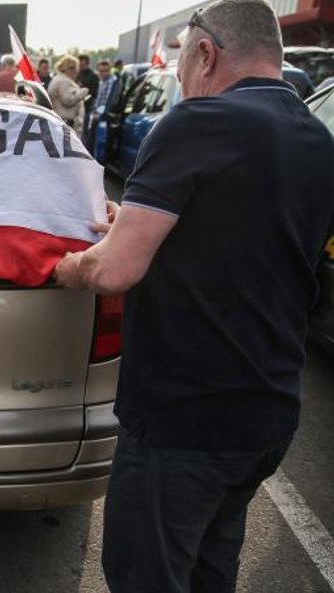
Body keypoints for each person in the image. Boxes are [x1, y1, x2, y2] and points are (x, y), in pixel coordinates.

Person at [53, 1, 334, 591]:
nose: (180, 75)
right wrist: (132, 219)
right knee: (211, 566)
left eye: (182, 58)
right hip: (267, 412)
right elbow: (249, 233)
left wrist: (68, 266)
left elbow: (114, 272)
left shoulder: (196, 123)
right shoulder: (314, 134)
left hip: (186, 416)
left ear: (206, 52)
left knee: (146, 574)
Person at [47, 54, 90, 136]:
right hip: (66, 123)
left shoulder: (58, 79)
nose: (77, 72)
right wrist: (81, 93)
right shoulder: (63, 81)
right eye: (76, 68)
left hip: (60, 122)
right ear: (71, 68)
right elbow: (68, 100)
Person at [85, 59, 120, 153]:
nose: (104, 73)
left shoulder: (111, 81)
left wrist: (97, 113)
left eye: (106, 71)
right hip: (98, 114)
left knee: (97, 145)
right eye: (101, 71)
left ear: (110, 70)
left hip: (103, 116)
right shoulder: (102, 82)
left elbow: (108, 102)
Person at [76, 54, 100, 134]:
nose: (80, 67)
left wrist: (85, 97)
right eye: (79, 65)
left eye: (82, 65)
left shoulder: (93, 76)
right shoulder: (76, 74)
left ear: (87, 64)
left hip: (87, 107)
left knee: (84, 131)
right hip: (75, 107)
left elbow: (94, 93)